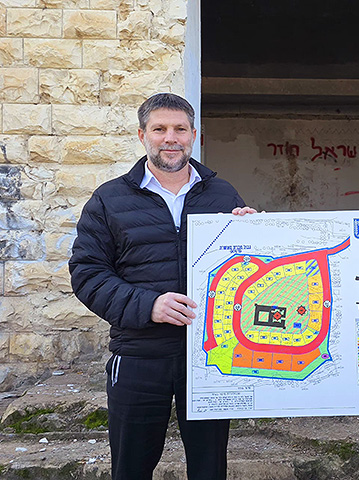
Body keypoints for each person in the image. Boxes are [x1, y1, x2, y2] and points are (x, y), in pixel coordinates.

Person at [69, 93, 256, 480]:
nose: (171, 138)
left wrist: (255, 234)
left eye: (180, 129)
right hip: (139, 354)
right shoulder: (109, 199)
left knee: (209, 469)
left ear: (194, 135)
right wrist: (148, 305)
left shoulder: (223, 195)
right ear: (143, 135)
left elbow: (250, 271)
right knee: (131, 468)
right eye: (160, 129)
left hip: (210, 357)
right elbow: (87, 272)